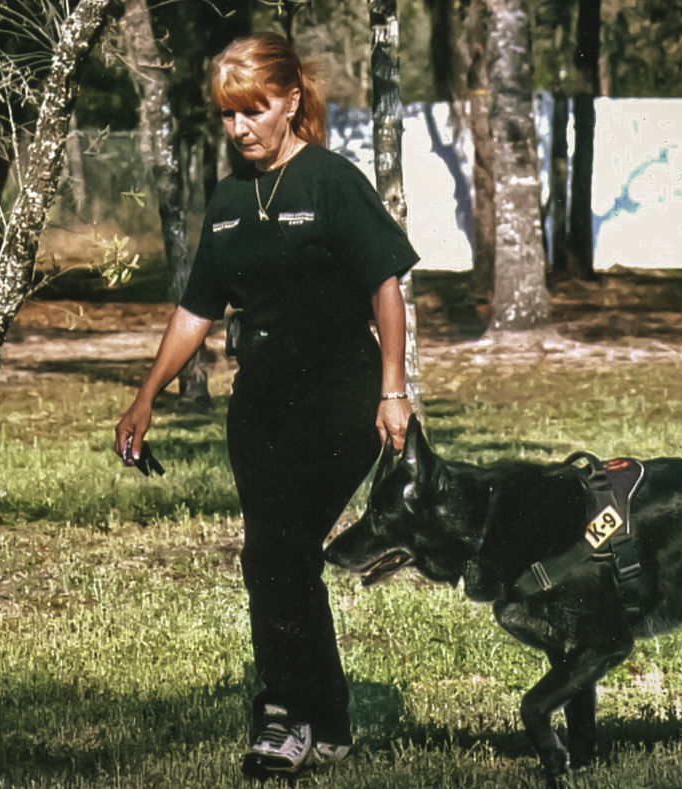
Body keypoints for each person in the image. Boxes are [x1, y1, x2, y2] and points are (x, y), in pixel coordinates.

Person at [113, 32, 419, 777]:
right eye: (228, 115)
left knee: (273, 551)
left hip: (342, 396)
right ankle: (332, 720)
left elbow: (386, 285)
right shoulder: (225, 200)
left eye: (253, 110)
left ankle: (284, 717)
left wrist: (393, 388)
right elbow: (196, 310)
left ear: (289, 100)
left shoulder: (330, 181)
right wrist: (146, 395)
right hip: (261, 404)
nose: (240, 127)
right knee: (279, 559)